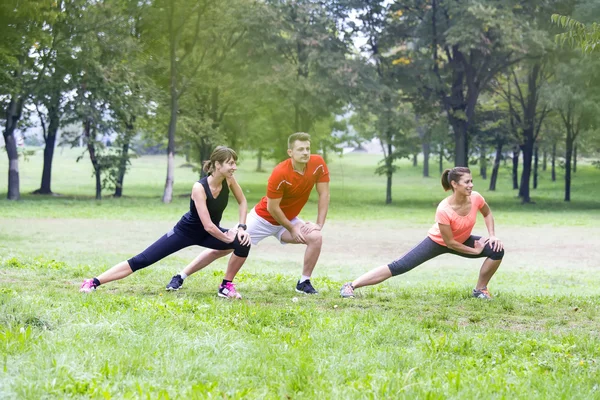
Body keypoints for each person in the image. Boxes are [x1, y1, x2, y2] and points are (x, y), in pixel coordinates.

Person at [165, 132, 330, 294]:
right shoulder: (280, 173)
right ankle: (181, 276)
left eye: (308, 148)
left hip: (287, 221)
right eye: (300, 149)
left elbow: (324, 194)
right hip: (262, 219)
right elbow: (273, 208)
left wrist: (318, 224)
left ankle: (303, 282)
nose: (306, 152)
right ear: (290, 152)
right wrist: (292, 229)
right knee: (223, 248)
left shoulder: (318, 164)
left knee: (315, 237)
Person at [80, 146, 251, 299]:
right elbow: (207, 225)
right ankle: (93, 282)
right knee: (142, 260)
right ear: (217, 165)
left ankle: (225, 287)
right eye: (230, 163)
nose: (234, 167)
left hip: (209, 234)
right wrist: (227, 238)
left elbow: (242, 202)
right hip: (185, 232)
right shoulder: (199, 188)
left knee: (243, 243)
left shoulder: (229, 180)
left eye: (235, 163)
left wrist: (241, 228)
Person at [340, 167, 504, 299]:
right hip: (438, 242)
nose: (471, 185)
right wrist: (475, 250)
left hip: (462, 239)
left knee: (496, 249)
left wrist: (492, 235)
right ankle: (351, 285)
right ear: (454, 184)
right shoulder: (444, 209)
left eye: (471, 181)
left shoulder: (476, 198)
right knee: (399, 266)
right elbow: (450, 243)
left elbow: (487, 213)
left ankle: (480, 290)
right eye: (466, 182)